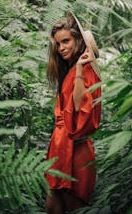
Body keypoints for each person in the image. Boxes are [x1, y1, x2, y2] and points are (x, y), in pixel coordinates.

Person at [45, 12, 102, 214]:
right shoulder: (68, 71)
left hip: (75, 150)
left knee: (74, 207)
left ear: (79, 40)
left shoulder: (85, 70)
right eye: (59, 44)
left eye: (66, 41)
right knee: (53, 207)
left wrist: (79, 69)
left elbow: (79, 108)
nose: (62, 49)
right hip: (60, 147)